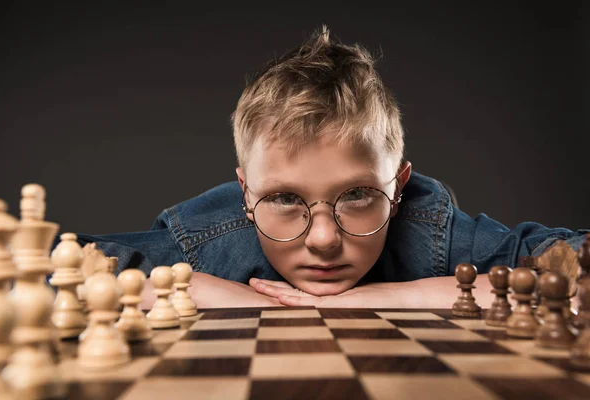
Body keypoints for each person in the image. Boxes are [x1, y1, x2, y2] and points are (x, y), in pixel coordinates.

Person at [71, 25, 588, 309]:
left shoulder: (428, 231)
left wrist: (388, 297)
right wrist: (206, 289)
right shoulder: (211, 240)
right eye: (284, 199)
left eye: (359, 195)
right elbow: (40, 261)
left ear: (400, 186)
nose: (322, 239)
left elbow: (577, 261)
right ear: (245, 195)